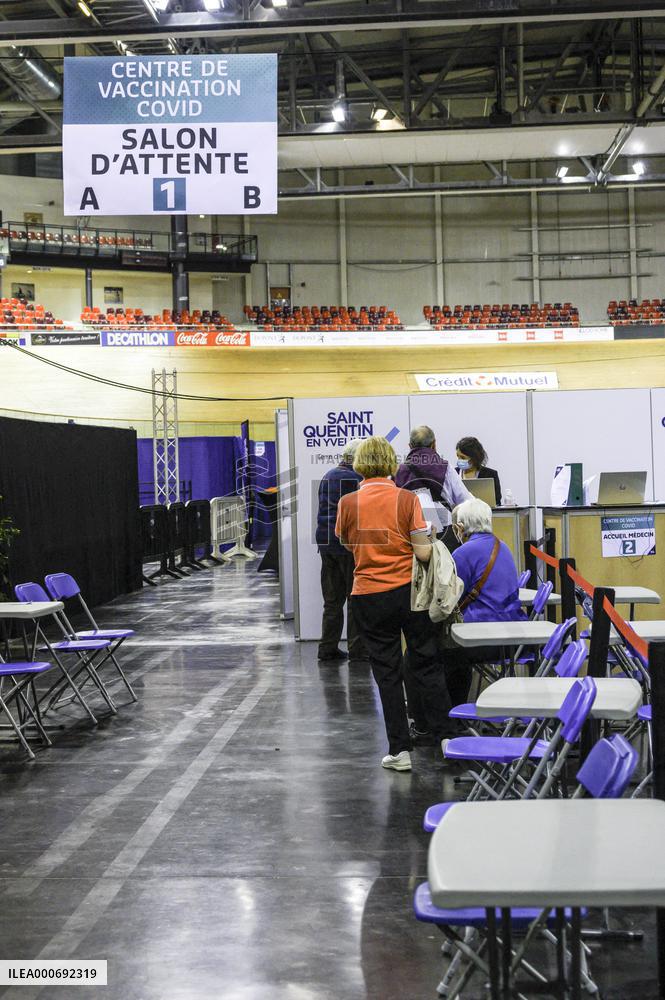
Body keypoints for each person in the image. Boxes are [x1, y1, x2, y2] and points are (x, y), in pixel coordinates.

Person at [336, 435, 457, 772]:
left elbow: (347, 545)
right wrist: (428, 535)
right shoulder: (406, 500)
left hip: (368, 594)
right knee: (427, 662)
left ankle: (400, 751)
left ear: (360, 463)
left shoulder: (348, 503)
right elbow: (421, 551)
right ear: (391, 462)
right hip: (408, 592)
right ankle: (447, 738)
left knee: (387, 674)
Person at [446, 498, 526, 707]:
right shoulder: (503, 546)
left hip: (484, 638)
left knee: (433, 654)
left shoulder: (463, 553)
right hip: (512, 636)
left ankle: (450, 718)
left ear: (460, 527)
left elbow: (451, 597)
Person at [315, 439, 367, 662]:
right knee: (354, 600)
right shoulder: (354, 479)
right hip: (346, 545)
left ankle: (327, 647)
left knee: (332, 601)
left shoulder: (328, 475)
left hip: (325, 544)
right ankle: (358, 650)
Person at [395, 425, 471, 543]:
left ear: (410, 446)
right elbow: (465, 501)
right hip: (443, 529)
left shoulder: (398, 471)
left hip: (410, 532)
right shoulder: (445, 467)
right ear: (434, 444)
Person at [456, 436, 502, 506]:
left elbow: (497, 501)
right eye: (458, 456)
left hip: (483, 514)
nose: (459, 460)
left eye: (463, 457)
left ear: (474, 458)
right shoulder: (453, 473)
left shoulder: (490, 474)